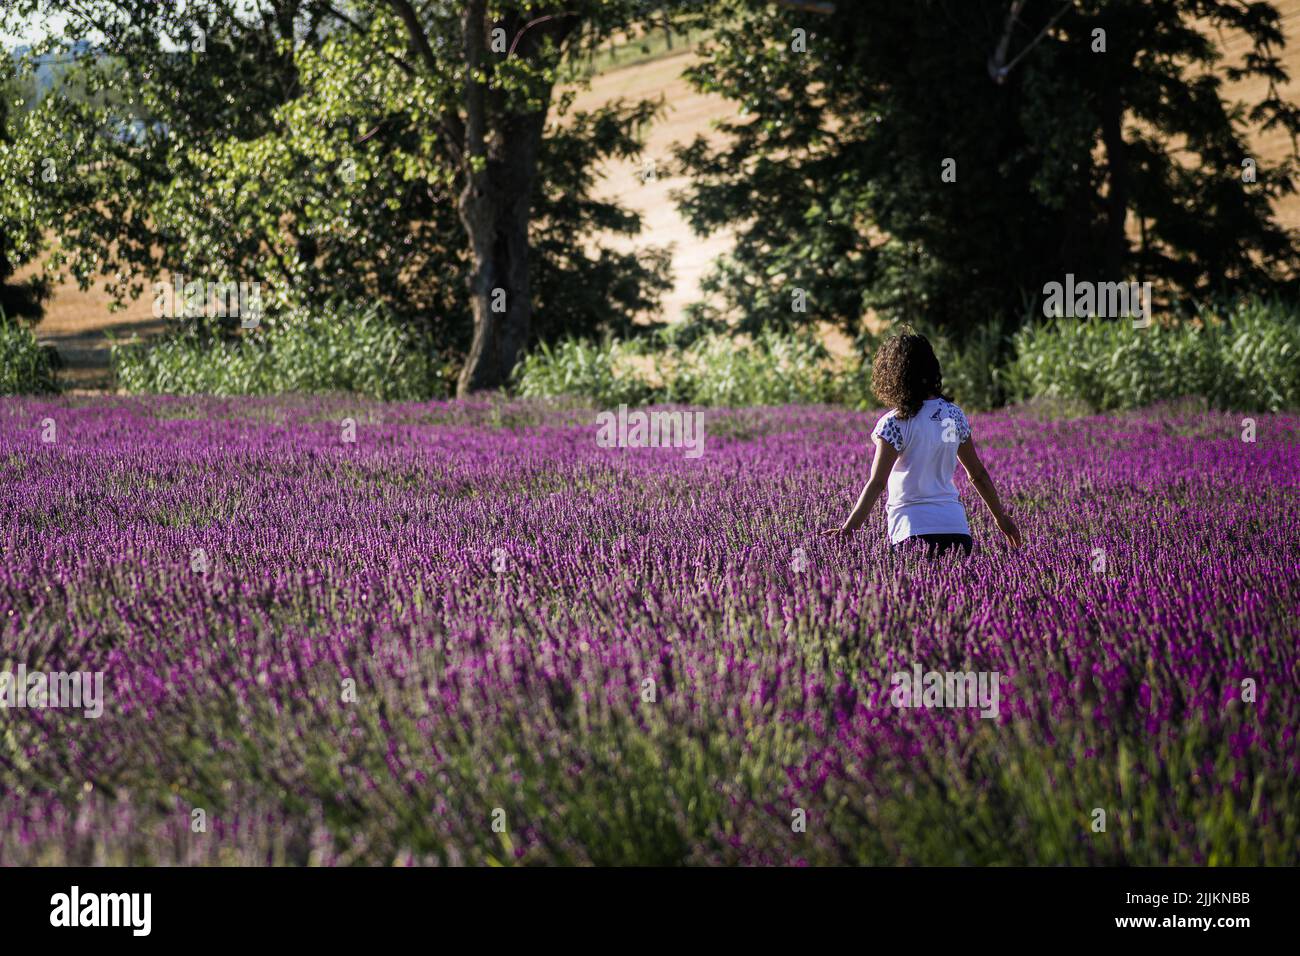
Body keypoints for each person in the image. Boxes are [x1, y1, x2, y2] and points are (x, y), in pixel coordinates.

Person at [822, 330, 1022, 556]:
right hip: (956, 530)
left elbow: (877, 483)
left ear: (894, 374)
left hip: (912, 531)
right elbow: (977, 474)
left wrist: (848, 530)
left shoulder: (895, 422)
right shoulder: (954, 416)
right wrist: (1001, 518)